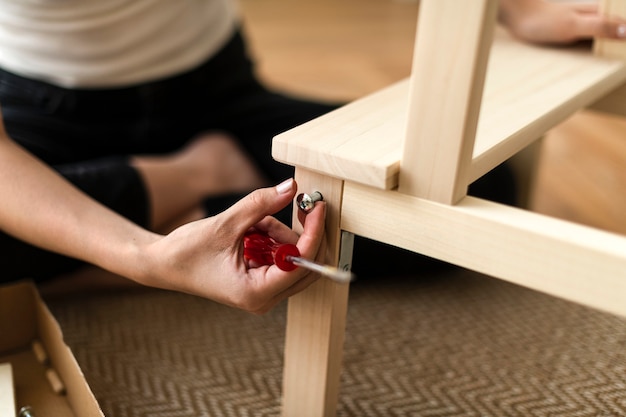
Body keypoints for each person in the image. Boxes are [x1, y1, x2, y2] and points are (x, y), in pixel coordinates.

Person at [0, 0, 624, 311]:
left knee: (478, 188)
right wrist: (139, 258)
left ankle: (133, 239)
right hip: (34, 118)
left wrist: (512, 6)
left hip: (215, 92)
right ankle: (193, 192)